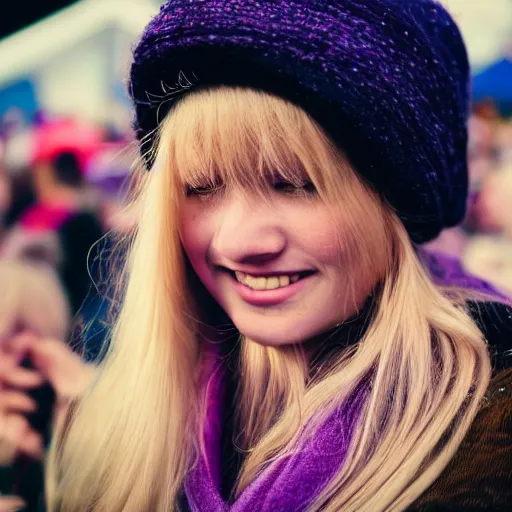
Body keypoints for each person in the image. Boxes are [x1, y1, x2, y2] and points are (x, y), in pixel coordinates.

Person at [45, 1, 512, 511]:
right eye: (200, 186)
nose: (237, 241)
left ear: (396, 201)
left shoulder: (490, 436)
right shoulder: (145, 407)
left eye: (294, 184)